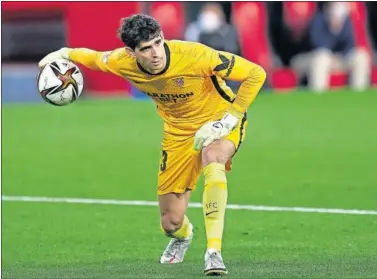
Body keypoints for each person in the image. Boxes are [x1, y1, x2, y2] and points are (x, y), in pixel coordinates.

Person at [38, 14, 266, 276]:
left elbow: (255, 73)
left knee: (214, 156)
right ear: (131, 53)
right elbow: (94, 58)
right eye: (146, 49)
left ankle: (213, 252)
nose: (155, 53)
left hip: (219, 119)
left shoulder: (196, 55)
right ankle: (183, 237)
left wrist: (230, 118)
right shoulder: (121, 62)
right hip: (178, 133)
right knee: (170, 222)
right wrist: (65, 52)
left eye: (158, 43)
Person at [291, 2, 371, 92]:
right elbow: (318, 45)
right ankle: (318, 97)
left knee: (361, 56)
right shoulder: (319, 18)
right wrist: (333, 28)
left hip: (340, 58)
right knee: (322, 58)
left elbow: (350, 45)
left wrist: (339, 26)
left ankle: (358, 95)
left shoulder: (346, 21)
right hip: (317, 58)